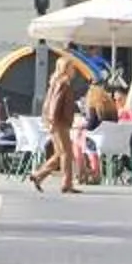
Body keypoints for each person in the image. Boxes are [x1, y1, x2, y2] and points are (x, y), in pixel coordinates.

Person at [28, 55, 85, 193]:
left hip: (56, 121)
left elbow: (50, 102)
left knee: (60, 153)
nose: (74, 71)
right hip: (59, 122)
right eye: (72, 67)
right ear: (66, 69)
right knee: (67, 153)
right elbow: (55, 103)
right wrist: (53, 120)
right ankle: (67, 184)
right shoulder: (63, 83)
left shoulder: (56, 81)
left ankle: (38, 175)